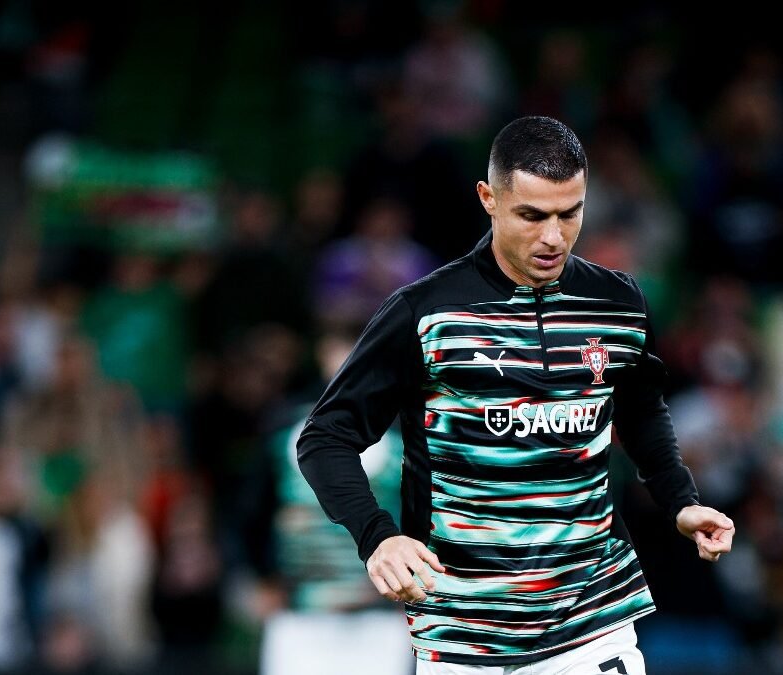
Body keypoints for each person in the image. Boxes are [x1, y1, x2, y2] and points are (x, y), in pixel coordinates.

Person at [298, 116, 735, 673]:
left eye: (568, 213)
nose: (553, 236)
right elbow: (325, 438)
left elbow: (640, 410)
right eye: (532, 215)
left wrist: (681, 500)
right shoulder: (425, 312)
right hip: (465, 630)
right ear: (489, 199)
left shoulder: (618, 302)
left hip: (591, 616)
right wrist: (377, 537)